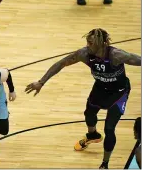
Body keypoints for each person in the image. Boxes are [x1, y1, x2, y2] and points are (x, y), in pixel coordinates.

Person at [25, 28, 141, 169]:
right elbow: (62, 63)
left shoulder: (116, 55)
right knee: (89, 114)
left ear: (102, 43)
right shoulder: (84, 54)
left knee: (109, 128)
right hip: (99, 88)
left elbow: (139, 60)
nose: (87, 45)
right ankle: (92, 136)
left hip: (119, 92)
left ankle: (105, 164)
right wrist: (41, 82)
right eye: (87, 41)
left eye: (91, 42)